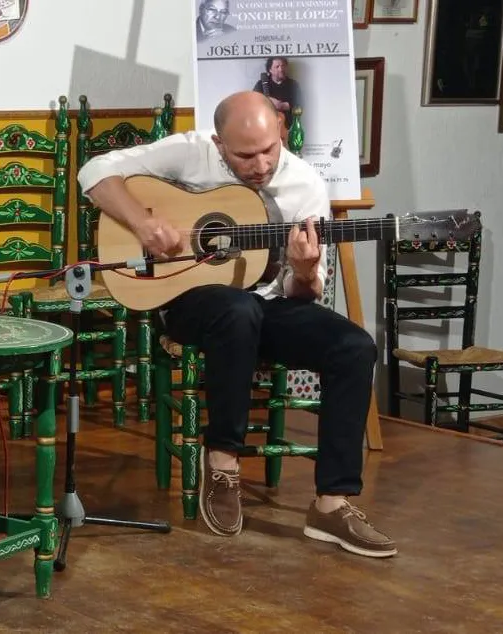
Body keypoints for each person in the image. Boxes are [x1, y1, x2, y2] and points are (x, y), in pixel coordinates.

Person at [76, 91, 395, 558]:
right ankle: (223, 463)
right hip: (189, 298)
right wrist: (144, 223)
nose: (261, 164)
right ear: (219, 143)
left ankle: (331, 503)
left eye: (269, 149)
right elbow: (94, 173)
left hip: (269, 303)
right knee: (236, 311)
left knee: (354, 345)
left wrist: (305, 270)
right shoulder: (190, 152)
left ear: (281, 132)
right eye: (245, 155)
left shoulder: (305, 185)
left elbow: (300, 293)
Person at [252, 57, 301, 129]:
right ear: (270, 70)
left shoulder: (293, 84)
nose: (281, 69)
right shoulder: (261, 84)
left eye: (283, 66)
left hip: (288, 127)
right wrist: (267, 101)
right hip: (265, 126)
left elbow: (300, 105)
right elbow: (252, 103)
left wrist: (284, 106)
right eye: (277, 67)